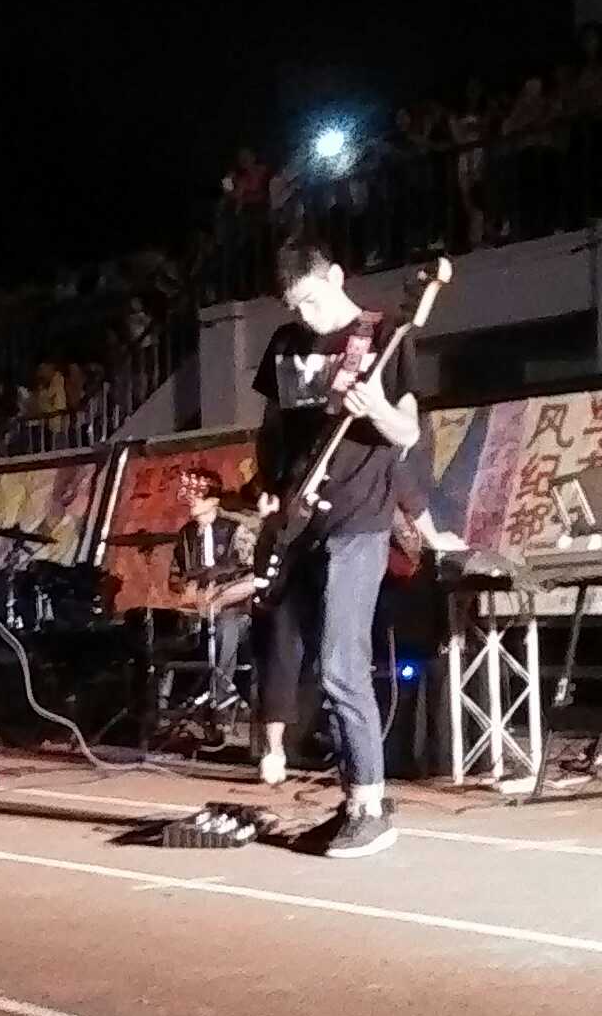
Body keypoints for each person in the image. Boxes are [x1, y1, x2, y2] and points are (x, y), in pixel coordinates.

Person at [253, 249, 465, 858]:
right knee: (312, 665)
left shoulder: (384, 336)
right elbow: (273, 429)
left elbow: (407, 432)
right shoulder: (285, 345)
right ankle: (351, 800)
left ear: (336, 278)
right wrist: (269, 484)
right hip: (303, 518)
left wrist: (374, 408)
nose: (308, 316)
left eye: (313, 300)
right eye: (296, 307)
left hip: (360, 520)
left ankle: (370, 806)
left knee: (341, 663)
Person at [170, 470, 255, 713]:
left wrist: (222, 595)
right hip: (198, 610)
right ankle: (171, 701)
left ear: (214, 500)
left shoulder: (237, 531)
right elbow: (175, 577)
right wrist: (186, 588)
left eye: (198, 496)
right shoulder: (185, 535)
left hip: (236, 611)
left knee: (227, 626)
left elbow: (255, 575)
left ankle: (221, 696)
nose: (192, 501)